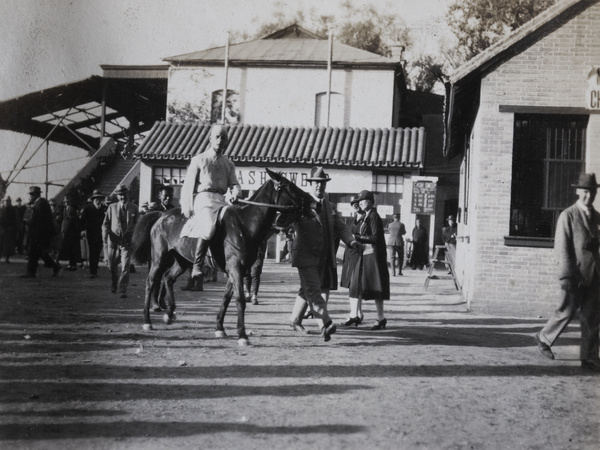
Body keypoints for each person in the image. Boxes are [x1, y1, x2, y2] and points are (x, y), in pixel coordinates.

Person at [535, 173, 600, 371]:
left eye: (593, 192)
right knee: (567, 310)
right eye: (585, 192)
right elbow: (562, 247)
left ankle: (589, 358)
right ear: (578, 192)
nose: (589, 196)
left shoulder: (597, 217)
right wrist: (565, 275)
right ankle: (544, 337)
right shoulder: (568, 215)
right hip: (575, 274)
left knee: (592, 316)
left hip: (595, 274)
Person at [289, 166, 359, 342]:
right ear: (310, 184)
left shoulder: (330, 206)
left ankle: (295, 320)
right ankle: (325, 324)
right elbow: (284, 221)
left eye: (322, 184)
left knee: (307, 289)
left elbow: (340, 227)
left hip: (324, 256)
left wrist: (351, 241)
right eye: (316, 184)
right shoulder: (301, 203)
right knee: (314, 290)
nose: (319, 187)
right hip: (305, 256)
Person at [180, 124, 241, 280]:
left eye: (224, 138)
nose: (220, 140)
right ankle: (197, 265)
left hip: (221, 200)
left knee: (234, 224)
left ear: (228, 141)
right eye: (217, 137)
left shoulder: (229, 163)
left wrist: (236, 192)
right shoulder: (199, 159)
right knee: (209, 227)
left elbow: (234, 184)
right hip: (204, 199)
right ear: (210, 139)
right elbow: (188, 185)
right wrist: (186, 205)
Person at [344, 190, 390, 329]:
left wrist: (359, 237)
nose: (360, 203)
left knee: (376, 287)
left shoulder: (374, 217)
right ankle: (375, 317)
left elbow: (376, 238)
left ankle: (380, 317)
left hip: (375, 257)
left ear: (369, 201)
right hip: (369, 256)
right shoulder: (367, 216)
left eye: (362, 201)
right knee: (369, 287)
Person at [102, 184, 139, 298]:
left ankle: (123, 289)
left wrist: (134, 238)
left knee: (125, 267)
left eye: (124, 194)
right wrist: (105, 238)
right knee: (112, 267)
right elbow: (106, 224)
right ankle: (114, 283)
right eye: (120, 195)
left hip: (126, 243)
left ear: (128, 194)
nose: (122, 197)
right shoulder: (112, 207)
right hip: (113, 243)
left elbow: (137, 225)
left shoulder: (134, 208)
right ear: (117, 197)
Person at [20, 186, 61, 278]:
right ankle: (53, 267)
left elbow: (39, 220)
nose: (30, 197)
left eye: (31, 195)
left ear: (35, 195)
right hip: (40, 233)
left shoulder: (40, 203)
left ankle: (32, 272)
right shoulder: (41, 203)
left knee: (35, 252)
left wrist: (28, 222)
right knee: (38, 253)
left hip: (40, 234)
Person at [340, 195, 365, 325]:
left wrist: (356, 237)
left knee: (355, 285)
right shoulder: (353, 220)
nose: (355, 205)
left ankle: (353, 314)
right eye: (353, 204)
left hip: (360, 255)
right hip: (351, 254)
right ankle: (358, 313)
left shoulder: (366, 220)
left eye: (357, 203)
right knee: (353, 285)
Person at [79, 190, 106, 279]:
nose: (98, 200)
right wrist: (82, 230)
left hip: (101, 233)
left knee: (98, 251)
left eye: (100, 198)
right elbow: (82, 220)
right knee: (92, 251)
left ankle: (95, 269)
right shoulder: (88, 208)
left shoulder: (104, 208)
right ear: (93, 199)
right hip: (91, 232)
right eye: (96, 198)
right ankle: (92, 272)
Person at [58, 195, 81, 271]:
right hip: (66, 231)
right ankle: (71, 264)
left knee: (72, 248)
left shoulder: (71, 209)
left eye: (67, 202)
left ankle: (73, 265)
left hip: (71, 232)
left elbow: (72, 220)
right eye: (65, 202)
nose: (66, 203)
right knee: (69, 248)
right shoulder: (65, 209)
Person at [0, 196, 18, 263]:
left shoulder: (13, 209)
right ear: (4, 201)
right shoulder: (2, 209)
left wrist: (15, 229)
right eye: (6, 201)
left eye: (9, 201)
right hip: (2, 228)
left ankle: (7, 258)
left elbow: (15, 219)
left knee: (8, 244)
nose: (7, 202)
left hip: (9, 229)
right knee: (1, 243)